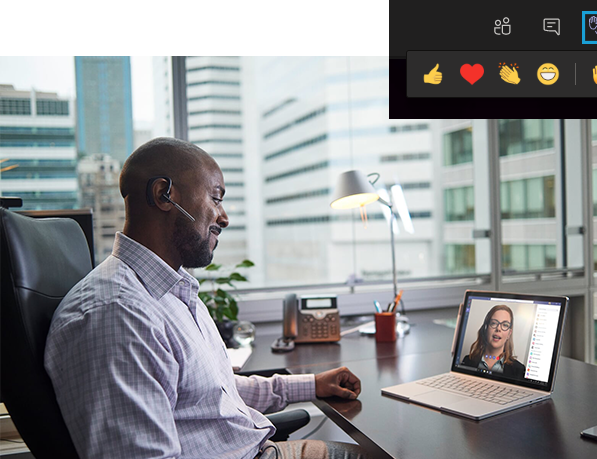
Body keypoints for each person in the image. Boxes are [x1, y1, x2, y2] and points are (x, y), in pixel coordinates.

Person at [44, 138, 366, 459]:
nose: (223, 217)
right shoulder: (118, 316)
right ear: (163, 194)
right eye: (215, 198)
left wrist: (312, 385)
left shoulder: (171, 292)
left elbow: (214, 393)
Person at [459, 304, 527, 379]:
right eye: (494, 323)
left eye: (505, 325)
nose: (498, 328)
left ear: (509, 334)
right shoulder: (468, 361)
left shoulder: (519, 370)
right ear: (486, 328)